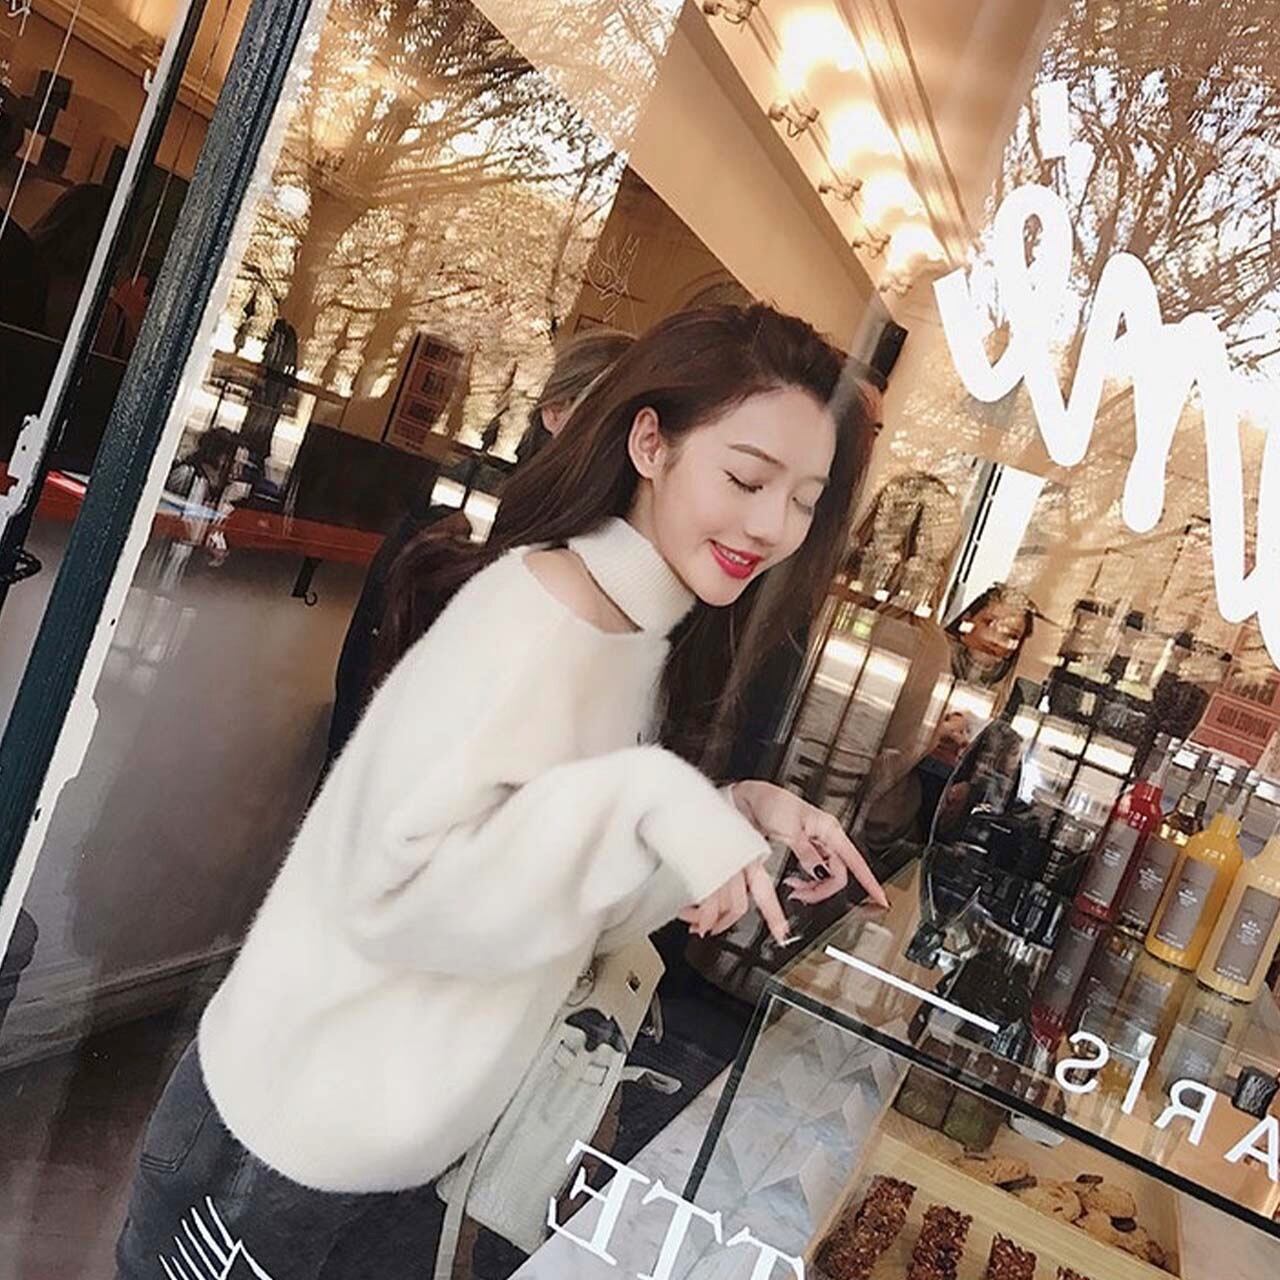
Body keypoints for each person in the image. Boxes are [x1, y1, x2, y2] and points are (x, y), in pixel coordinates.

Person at [116, 303, 887, 1279]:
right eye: (745, 478)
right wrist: (653, 799)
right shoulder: (539, 611)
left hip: (403, 1142)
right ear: (650, 443)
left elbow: (566, 913)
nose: (771, 525)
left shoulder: (633, 632)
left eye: (804, 500)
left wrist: (734, 813)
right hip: (292, 1128)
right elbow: (393, 893)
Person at [320, 327, 636, 778]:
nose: (625, 437)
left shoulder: (614, 546)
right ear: (555, 411)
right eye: (609, 410)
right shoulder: (470, 552)